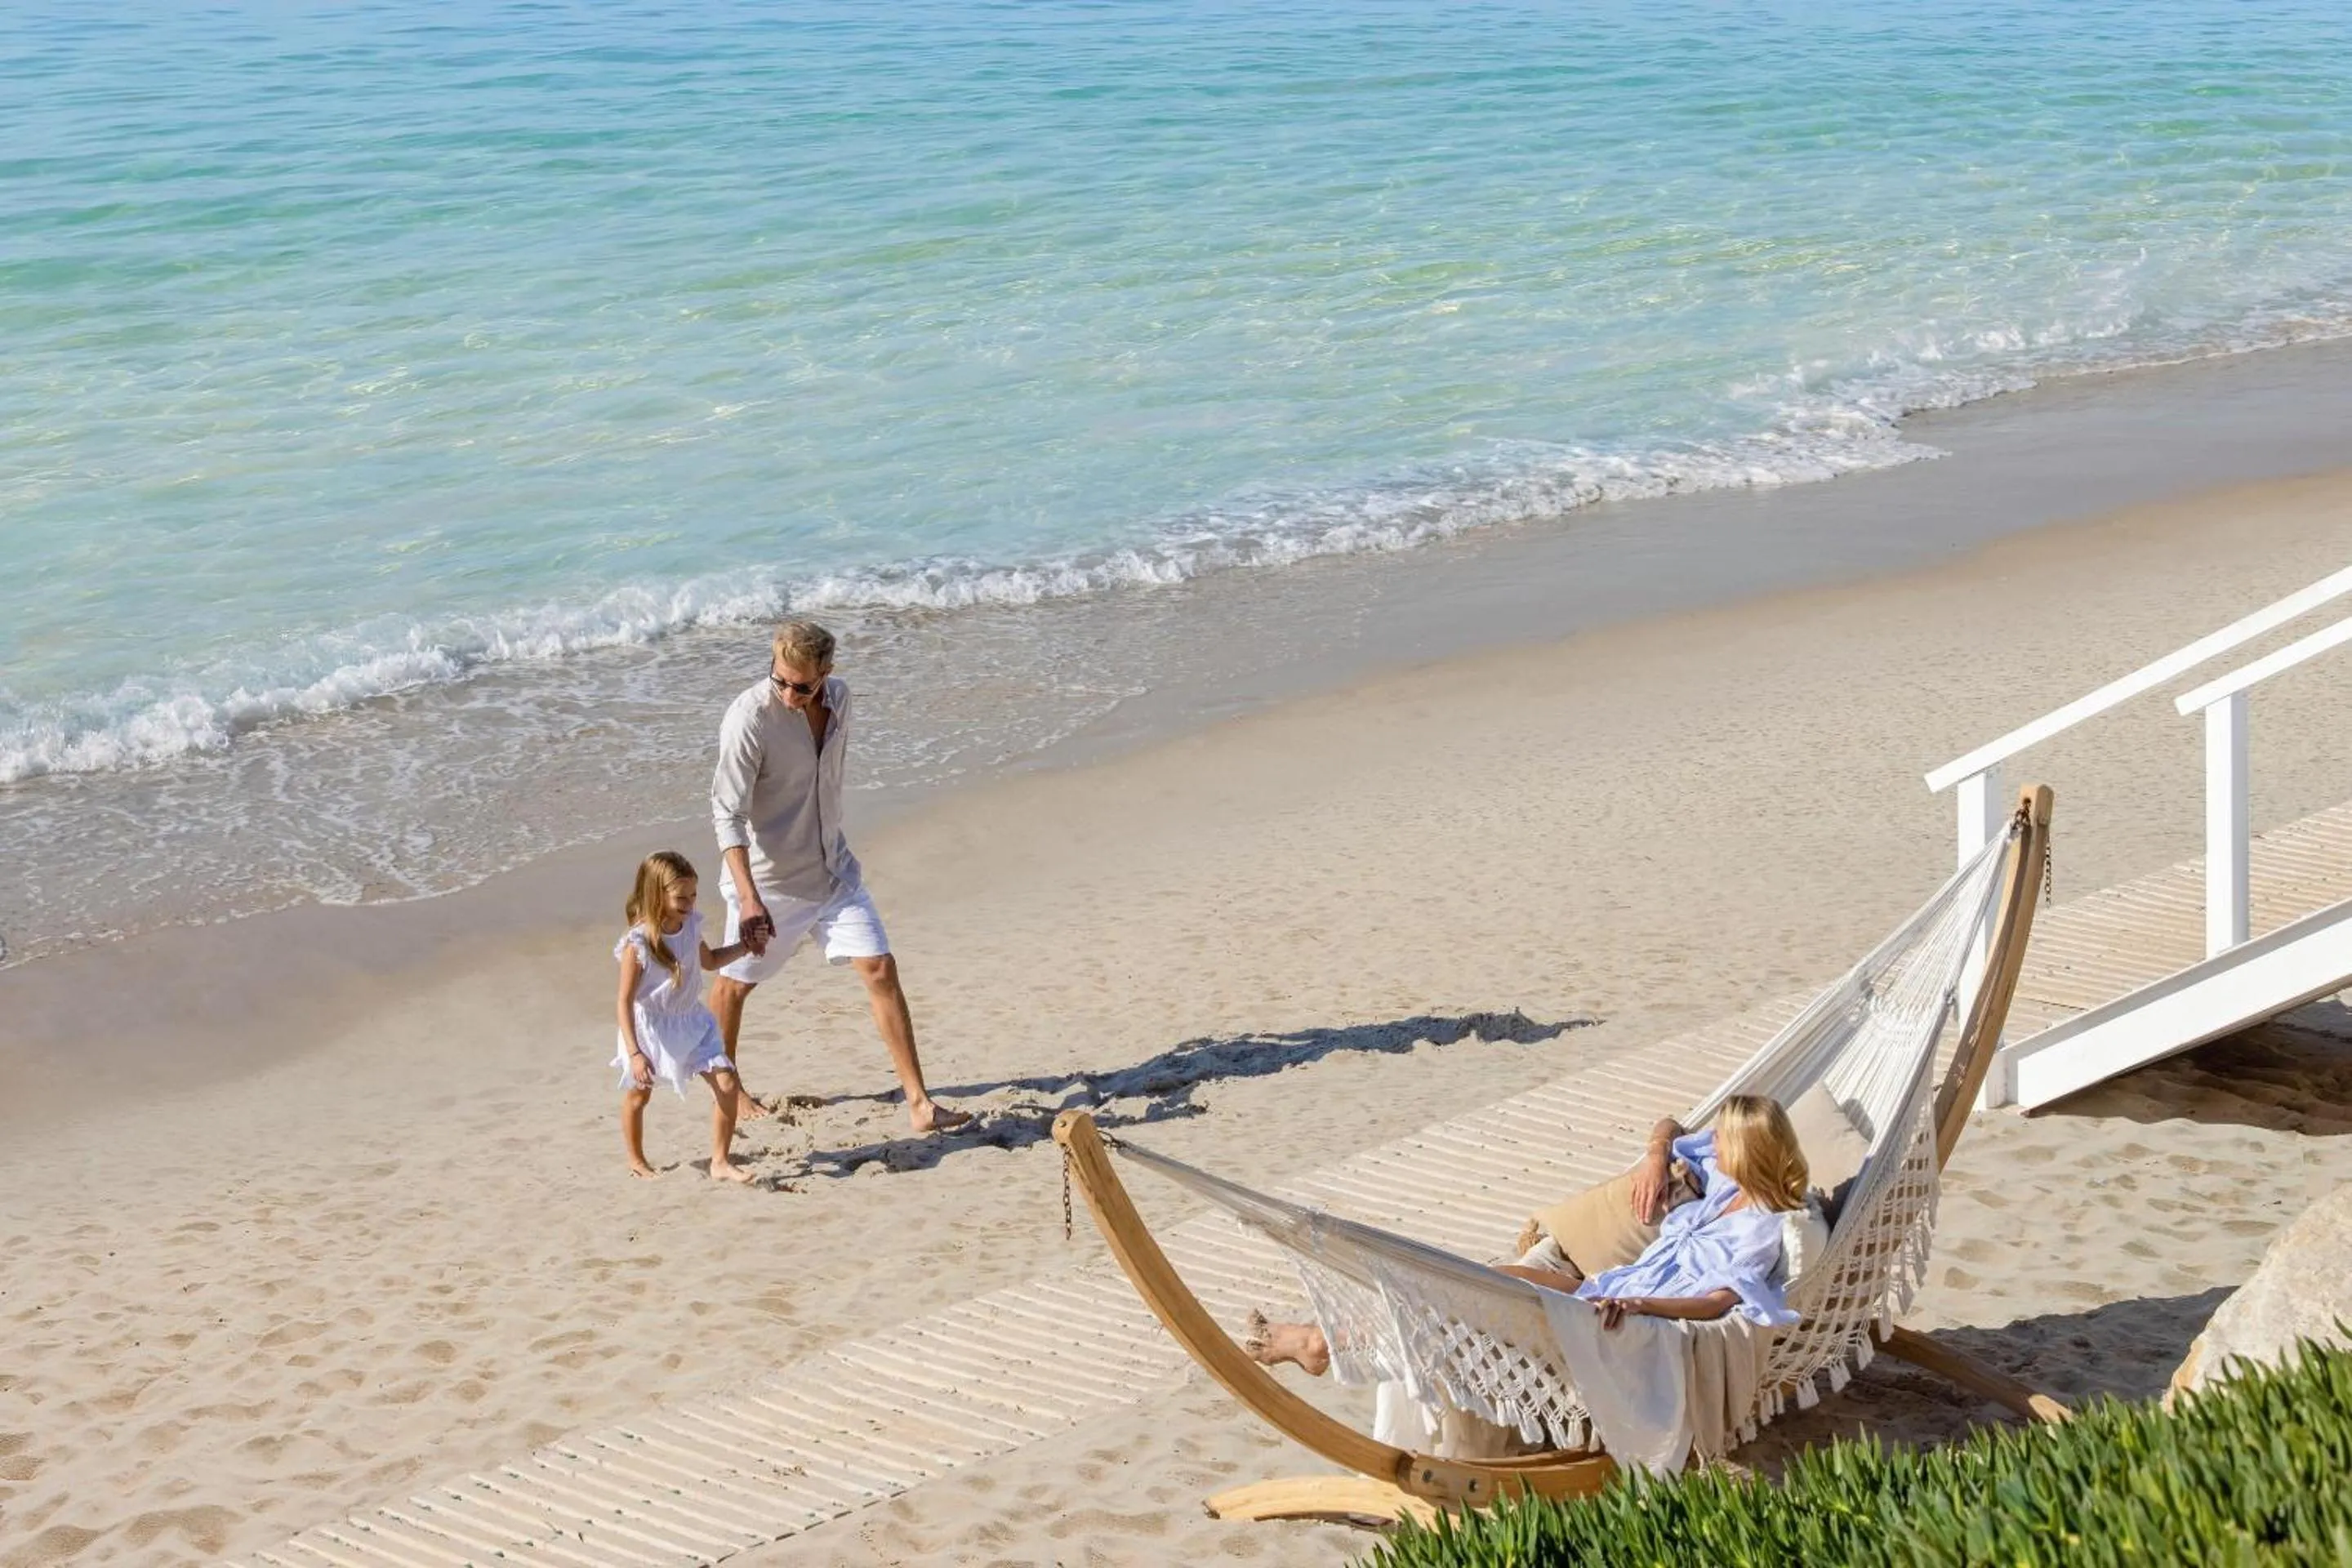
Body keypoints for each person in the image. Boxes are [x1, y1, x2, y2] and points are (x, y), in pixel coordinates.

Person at [1244, 1094, 1812, 1375]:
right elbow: (1671, 1126)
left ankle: (1324, 1343)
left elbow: (1718, 1303)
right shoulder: (1719, 1180)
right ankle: (1328, 1338)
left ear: (1749, 1152)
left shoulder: (1761, 1229)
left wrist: (1643, 1304)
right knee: (1471, 1284)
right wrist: (1658, 1155)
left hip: (1622, 1314)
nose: (1714, 1145)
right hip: (1604, 1284)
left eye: (1725, 1141)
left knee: (1472, 1297)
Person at [709, 620, 969, 1134]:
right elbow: (726, 814)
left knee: (880, 968)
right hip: (769, 882)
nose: (788, 693)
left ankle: (919, 1103)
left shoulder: (842, 701)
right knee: (733, 988)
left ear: (826, 674)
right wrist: (749, 898)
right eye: (779, 679)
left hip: (832, 871)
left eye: (802, 686)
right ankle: (731, 1090)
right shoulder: (749, 720)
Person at [613, 851, 760, 1183]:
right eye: (681, 897)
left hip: (691, 1020)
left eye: (693, 895)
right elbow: (623, 1002)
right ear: (656, 894)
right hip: (650, 1028)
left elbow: (709, 961)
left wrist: (745, 946)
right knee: (639, 1094)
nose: (690, 903)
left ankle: (720, 1162)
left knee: (727, 1081)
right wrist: (635, 1053)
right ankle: (636, 1159)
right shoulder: (638, 943)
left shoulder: (691, 925)